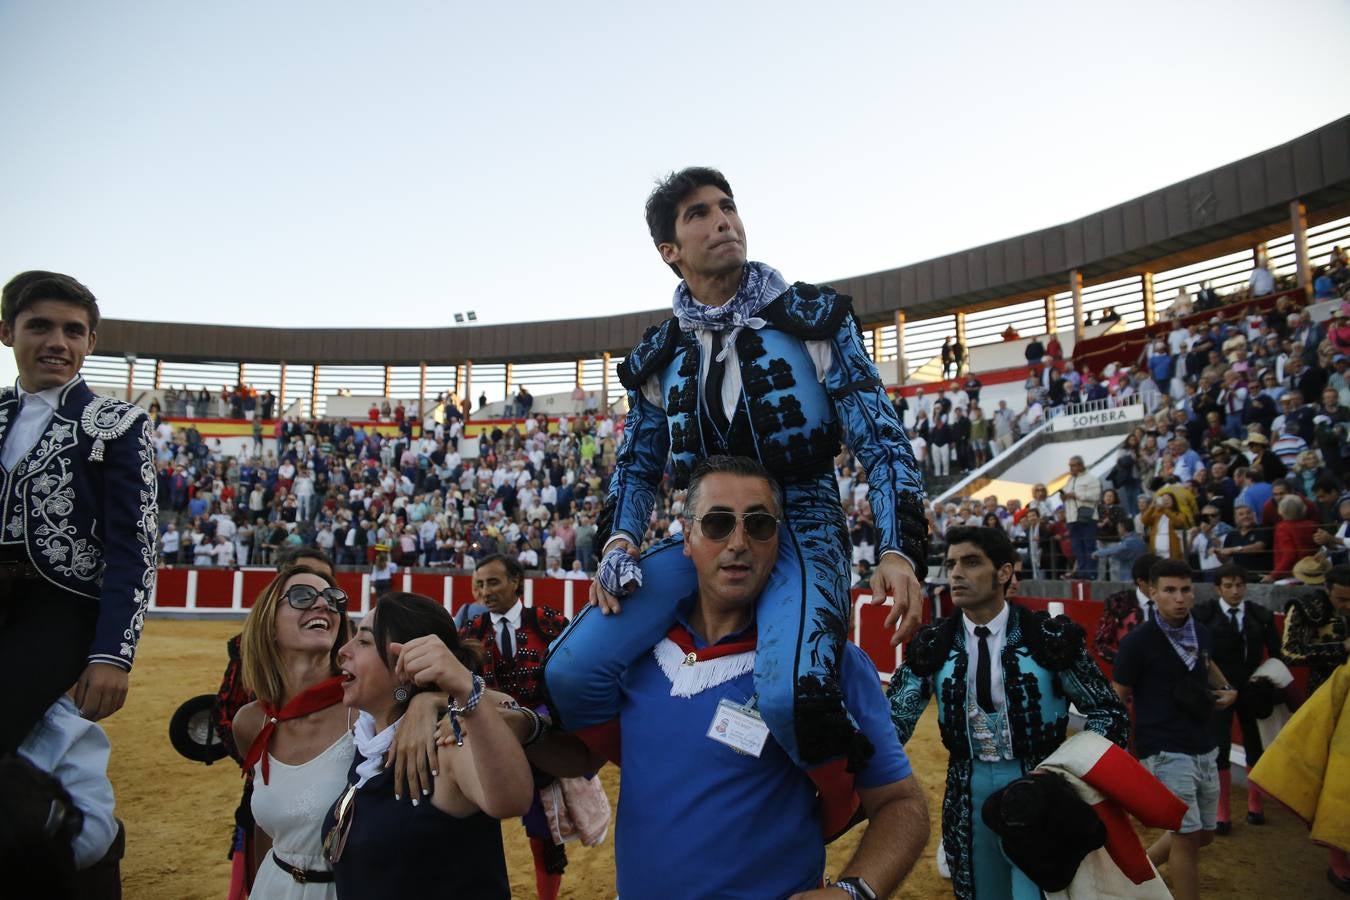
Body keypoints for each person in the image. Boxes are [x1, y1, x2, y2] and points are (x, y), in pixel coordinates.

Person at [549, 167, 928, 774]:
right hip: (706, 532)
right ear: (670, 251)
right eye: (699, 213)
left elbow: (881, 442)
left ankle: (852, 795)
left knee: (792, 699)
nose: (723, 220)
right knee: (571, 671)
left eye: (727, 207)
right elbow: (638, 466)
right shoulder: (659, 355)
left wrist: (897, 548)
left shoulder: (813, 319)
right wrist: (620, 540)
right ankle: (665, 758)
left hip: (802, 525)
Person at [536, 456, 929, 899]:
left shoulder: (830, 665)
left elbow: (900, 804)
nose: (738, 542)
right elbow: (582, 759)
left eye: (759, 525)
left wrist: (855, 892)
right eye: (717, 523)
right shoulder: (632, 659)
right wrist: (518, 725)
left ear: (779, 539)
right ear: (686, 537)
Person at [888, 526, 1128, 899]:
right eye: (951, 564)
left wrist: (1067, 775)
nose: (956, 574)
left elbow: (1109, 713)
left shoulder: (1049, 638)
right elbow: (891, 724)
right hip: (967, 796)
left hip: (1043, 794)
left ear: (1004, 572)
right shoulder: (933, 644)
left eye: (971, 562)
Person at [0, 271, 158, 755]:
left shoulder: (117, 425)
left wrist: (112, 654)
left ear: (90, 342)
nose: (57, 343)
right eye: (39, 326)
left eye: (72, 331)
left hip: (58, 614)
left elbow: (134, 548)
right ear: (7, 332)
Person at [324, 593, 534, 899]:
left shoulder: (446, 740)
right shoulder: (367, 735)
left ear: (408, 666)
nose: (343, 651)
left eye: (365, 641)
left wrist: (463, 688)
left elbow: (512, 800)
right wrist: (436, 697)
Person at [1112, 559, 1240, 900]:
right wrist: (1118, 747)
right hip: (1163, 748)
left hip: (1203, 743)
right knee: (1187, 838)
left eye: (1185, 590)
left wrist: (1228, 688)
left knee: (1204, 835)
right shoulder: (1138, 642)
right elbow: (1118, 695)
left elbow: (1206, 663)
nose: (1179, 598)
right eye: (1169, 590)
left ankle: (1135, 872)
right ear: (1152, 593)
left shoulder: (1202, 633)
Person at [458, 555, 571, 900]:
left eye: (493, 582)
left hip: (542, 742)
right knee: (475, 828)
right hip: (487, 745)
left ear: (515, 581)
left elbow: (573, 674)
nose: (485, 592)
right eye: (480, 584)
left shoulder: (549, 622)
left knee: (545, 836)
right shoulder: (471, 632)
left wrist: (549, 718)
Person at [1192, 564, 1281, 834]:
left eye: (1239, 585)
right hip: (1218, 689)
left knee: (1255, 744)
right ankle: (1223, 812)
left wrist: (1264, 681)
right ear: (1218, 588)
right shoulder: (1203, 615)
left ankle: (1255, 805)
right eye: (1228, 586)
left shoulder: (1260, 615)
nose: (1234, 591)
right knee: (1220, 747)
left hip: (1251, 688)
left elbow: (1276, 654)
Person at [1281, 564, 1350, 695]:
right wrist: (1341, 648)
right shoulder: (1307, 608)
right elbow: (1289, 653)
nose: (1349, 606)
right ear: (1327, 589)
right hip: (1325, 687)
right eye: (1342, 599)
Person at [1062, 455, 1102, 579]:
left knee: (1089, 546)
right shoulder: (1069, 480)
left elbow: (1096, 496)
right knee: (1077, 547)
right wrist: (1064, 496)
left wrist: (1077, 495)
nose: (1070, 468)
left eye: (1073, 466)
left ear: (1080, 465)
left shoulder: (1091, 479)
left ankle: (1091, 574)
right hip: (1072, 518)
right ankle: (1081, 573)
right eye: (1070, 466)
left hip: (1087, 517)